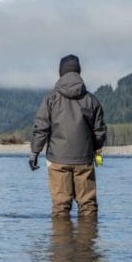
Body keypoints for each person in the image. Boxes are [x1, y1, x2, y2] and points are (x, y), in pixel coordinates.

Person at [29, 55, 107, 218]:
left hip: (58, 159)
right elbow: (99, 131)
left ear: (61, 73)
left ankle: (61, 242)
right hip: (84, 160)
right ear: (78, 72)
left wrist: (35, 152)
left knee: (60, 207)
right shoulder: (91, 100)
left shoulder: (51, 98)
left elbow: (41, 127)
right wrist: (95, 150)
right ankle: (87, 242)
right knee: (88, 206)